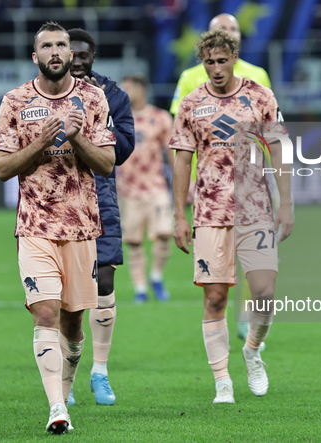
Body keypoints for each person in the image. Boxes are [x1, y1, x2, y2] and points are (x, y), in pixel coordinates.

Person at [0, 21, 116, 434]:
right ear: (36, 56)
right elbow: (2, 169)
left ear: (70, 52)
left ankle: (68, 383)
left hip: (82, 227)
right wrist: (40, 145)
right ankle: (57, 408)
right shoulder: (15, 101)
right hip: (34, 226)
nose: (56, 51)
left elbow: (107, 164)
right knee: (44, 312)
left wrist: (77, 139)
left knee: (73, 323)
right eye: (47, 45)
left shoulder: (93, 98)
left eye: (62, 44)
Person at [170, 29, 294, 404]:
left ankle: (253, 350)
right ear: (202, 63)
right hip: (209, 212)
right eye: (209, 62)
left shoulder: (260, 96)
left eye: (223, 61)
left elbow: (278, 148)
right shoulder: (191, 104)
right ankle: (222, 380)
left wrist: (286, 202)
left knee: (265, 294)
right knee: (215, 298)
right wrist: (179, 215)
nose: (217, 68)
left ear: (234, 58)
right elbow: (181, 160)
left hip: (255, 208)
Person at [170, 12, 273, 344]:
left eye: (233, 29)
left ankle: (248, 324)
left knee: (259, 279)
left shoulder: (258, 78)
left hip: (252, 188)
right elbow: (181, 139)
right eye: (221, 29)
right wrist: (183, 192)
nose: (228, 33)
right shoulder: (190, 80)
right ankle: (223, 374)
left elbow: (270, 131)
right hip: (210, 193)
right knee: (216, 288)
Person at [66, 27, 135, 406]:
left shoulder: (113, 95)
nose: (76, 58)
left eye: (82, 53)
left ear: (93, 56)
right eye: (69, 51)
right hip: (57, 202)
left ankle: (100, 372)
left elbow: (123, 149)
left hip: (100, 195)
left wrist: (97, 119)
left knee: (104, 280)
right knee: (66, 294)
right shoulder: (40, 94)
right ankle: (67, 374)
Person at [117, 74, 175, 303]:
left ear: (141, 90)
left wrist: (185, 183)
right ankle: (140, 288)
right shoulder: (118, 118)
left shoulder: (159, 118)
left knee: (163, 234)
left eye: (128, 88)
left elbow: (171, 152)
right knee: (134, 241)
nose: (124, 92)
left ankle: (156, 276)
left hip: (156, 186)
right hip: (128, 190)